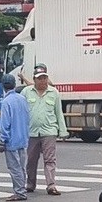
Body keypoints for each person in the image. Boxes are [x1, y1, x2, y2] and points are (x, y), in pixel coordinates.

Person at [22, 63, 68, 195]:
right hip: (32, 132)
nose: (42, 81)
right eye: (39, 78)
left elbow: (59, 113)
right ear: (34, 79)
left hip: (49, 131)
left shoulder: (53, 93)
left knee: (50, 159)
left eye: (44, 78)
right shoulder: (26, 92)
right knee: (31, 160)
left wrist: (63, 131)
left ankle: (51, 185)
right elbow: (22, 112)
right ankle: (30, 184)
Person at [0, 74, 30, 202]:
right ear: (14, 84)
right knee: (21, 167)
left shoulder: (6, 102)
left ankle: (20, 192)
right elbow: (28, 118)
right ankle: (22, 188)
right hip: (23, 138)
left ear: (3, 86)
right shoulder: (22, 99)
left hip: (11, 140)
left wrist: (2, 140)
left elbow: (5, 123)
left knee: (14, 167)